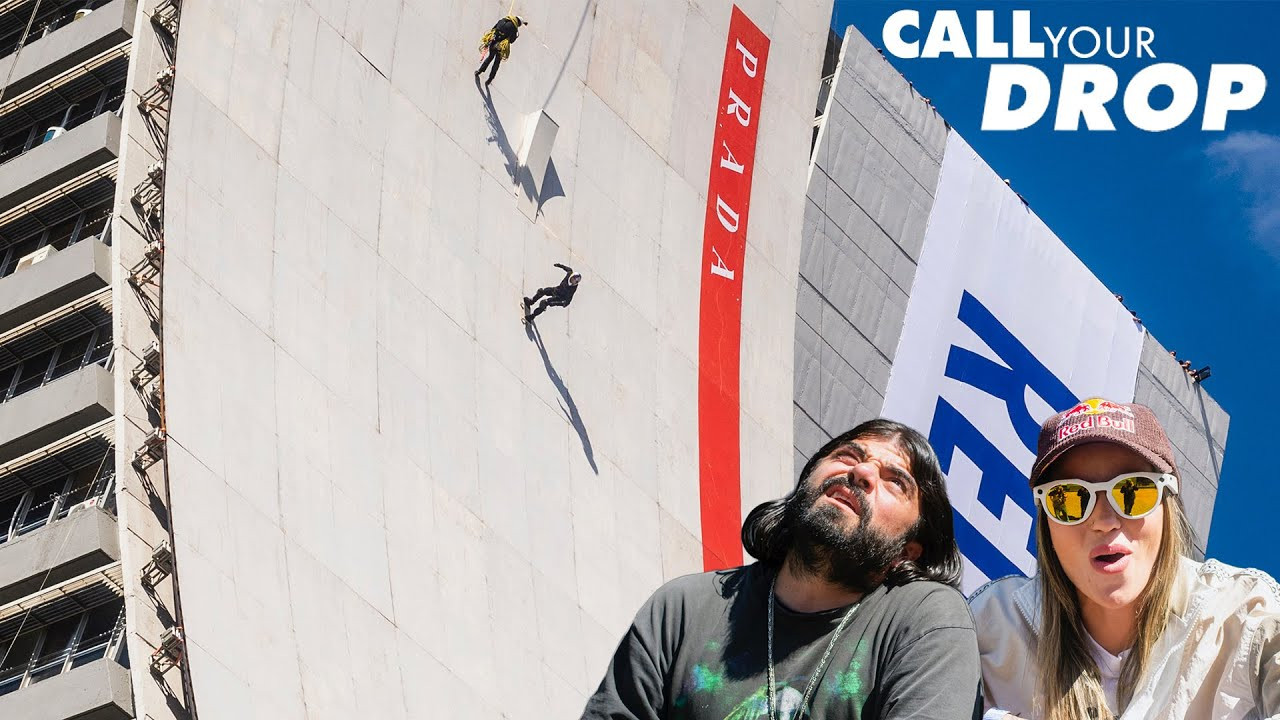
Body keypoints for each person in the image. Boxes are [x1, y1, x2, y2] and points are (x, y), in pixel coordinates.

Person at [581, 419, 981, 719]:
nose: (861, 472)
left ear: (907, 552)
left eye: (896, 481)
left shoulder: (927, 623)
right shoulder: (684, 609)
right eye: (847, 456)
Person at [969, 398, 1280, 720]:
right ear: (1046, 520)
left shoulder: (1242, 612)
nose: (1104, 520)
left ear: (1167, 504)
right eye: (1069, 499)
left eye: (1133, 491)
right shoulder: (991, 623)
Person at [475, 15, 525, 87]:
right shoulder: (514, 29)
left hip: (494, 41)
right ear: (519, 23)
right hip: (500, 48)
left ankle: (479, 71)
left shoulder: (503, 20)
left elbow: (494, 28)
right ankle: (490, 79)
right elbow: (511, 41)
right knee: (496, 63)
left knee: (490, 58)